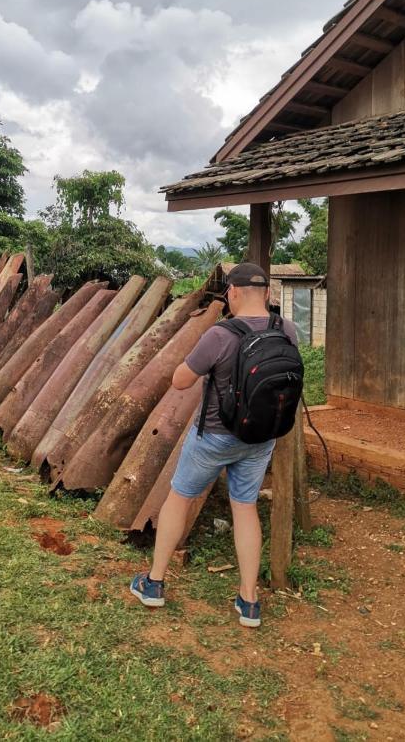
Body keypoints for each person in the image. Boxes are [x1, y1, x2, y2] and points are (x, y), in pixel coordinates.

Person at [130, 262, 298, 628]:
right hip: (260, 439)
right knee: (245, 507)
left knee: (180, 497)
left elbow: (180, 381)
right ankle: (249, 601)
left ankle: (154, 582)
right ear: (268, 294)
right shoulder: (285, 329)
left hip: (215, 436)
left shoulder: (221, 334)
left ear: (232, 294)